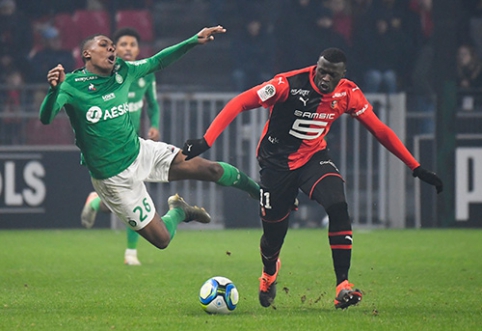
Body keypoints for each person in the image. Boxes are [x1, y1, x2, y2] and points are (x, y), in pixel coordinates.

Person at [182, 47, 443, 309]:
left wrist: (415, 166)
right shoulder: (287, 84)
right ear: (315, 67)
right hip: (276, 166)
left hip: (313, 159)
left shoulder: (349, 93)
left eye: (332, 74)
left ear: (342, 75)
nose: (325, 78)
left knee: (338, 207)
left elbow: (380, 130)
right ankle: (269, 273)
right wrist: (206, 140)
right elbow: (239, 102)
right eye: (322, 71)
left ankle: (343, 285)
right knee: (273, 239)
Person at [39, 26, 260, 255]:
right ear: (87, 53)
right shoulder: (71, 84)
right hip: (114, 178)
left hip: (141, 152)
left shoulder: (123, 71)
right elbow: (46, 118)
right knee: (162, 239)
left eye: (111, 46)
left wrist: (193, 40)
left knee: (211, 169)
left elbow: (158, 61)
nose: (111, 48)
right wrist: (53, 91)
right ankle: (180, 211)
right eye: (104, 45)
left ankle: (259, 192)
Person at [79, 27, 161, 266]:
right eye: (122, 44)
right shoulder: (107, 74)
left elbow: (153, 104)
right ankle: (129, 251)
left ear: (138, 49)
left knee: (131, 199)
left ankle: (128, 250)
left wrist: (154, 124)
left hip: (132, 146)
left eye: (132, 44)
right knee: (129, 201)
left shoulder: (145, 75)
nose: (127, 48)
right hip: (109, 148)